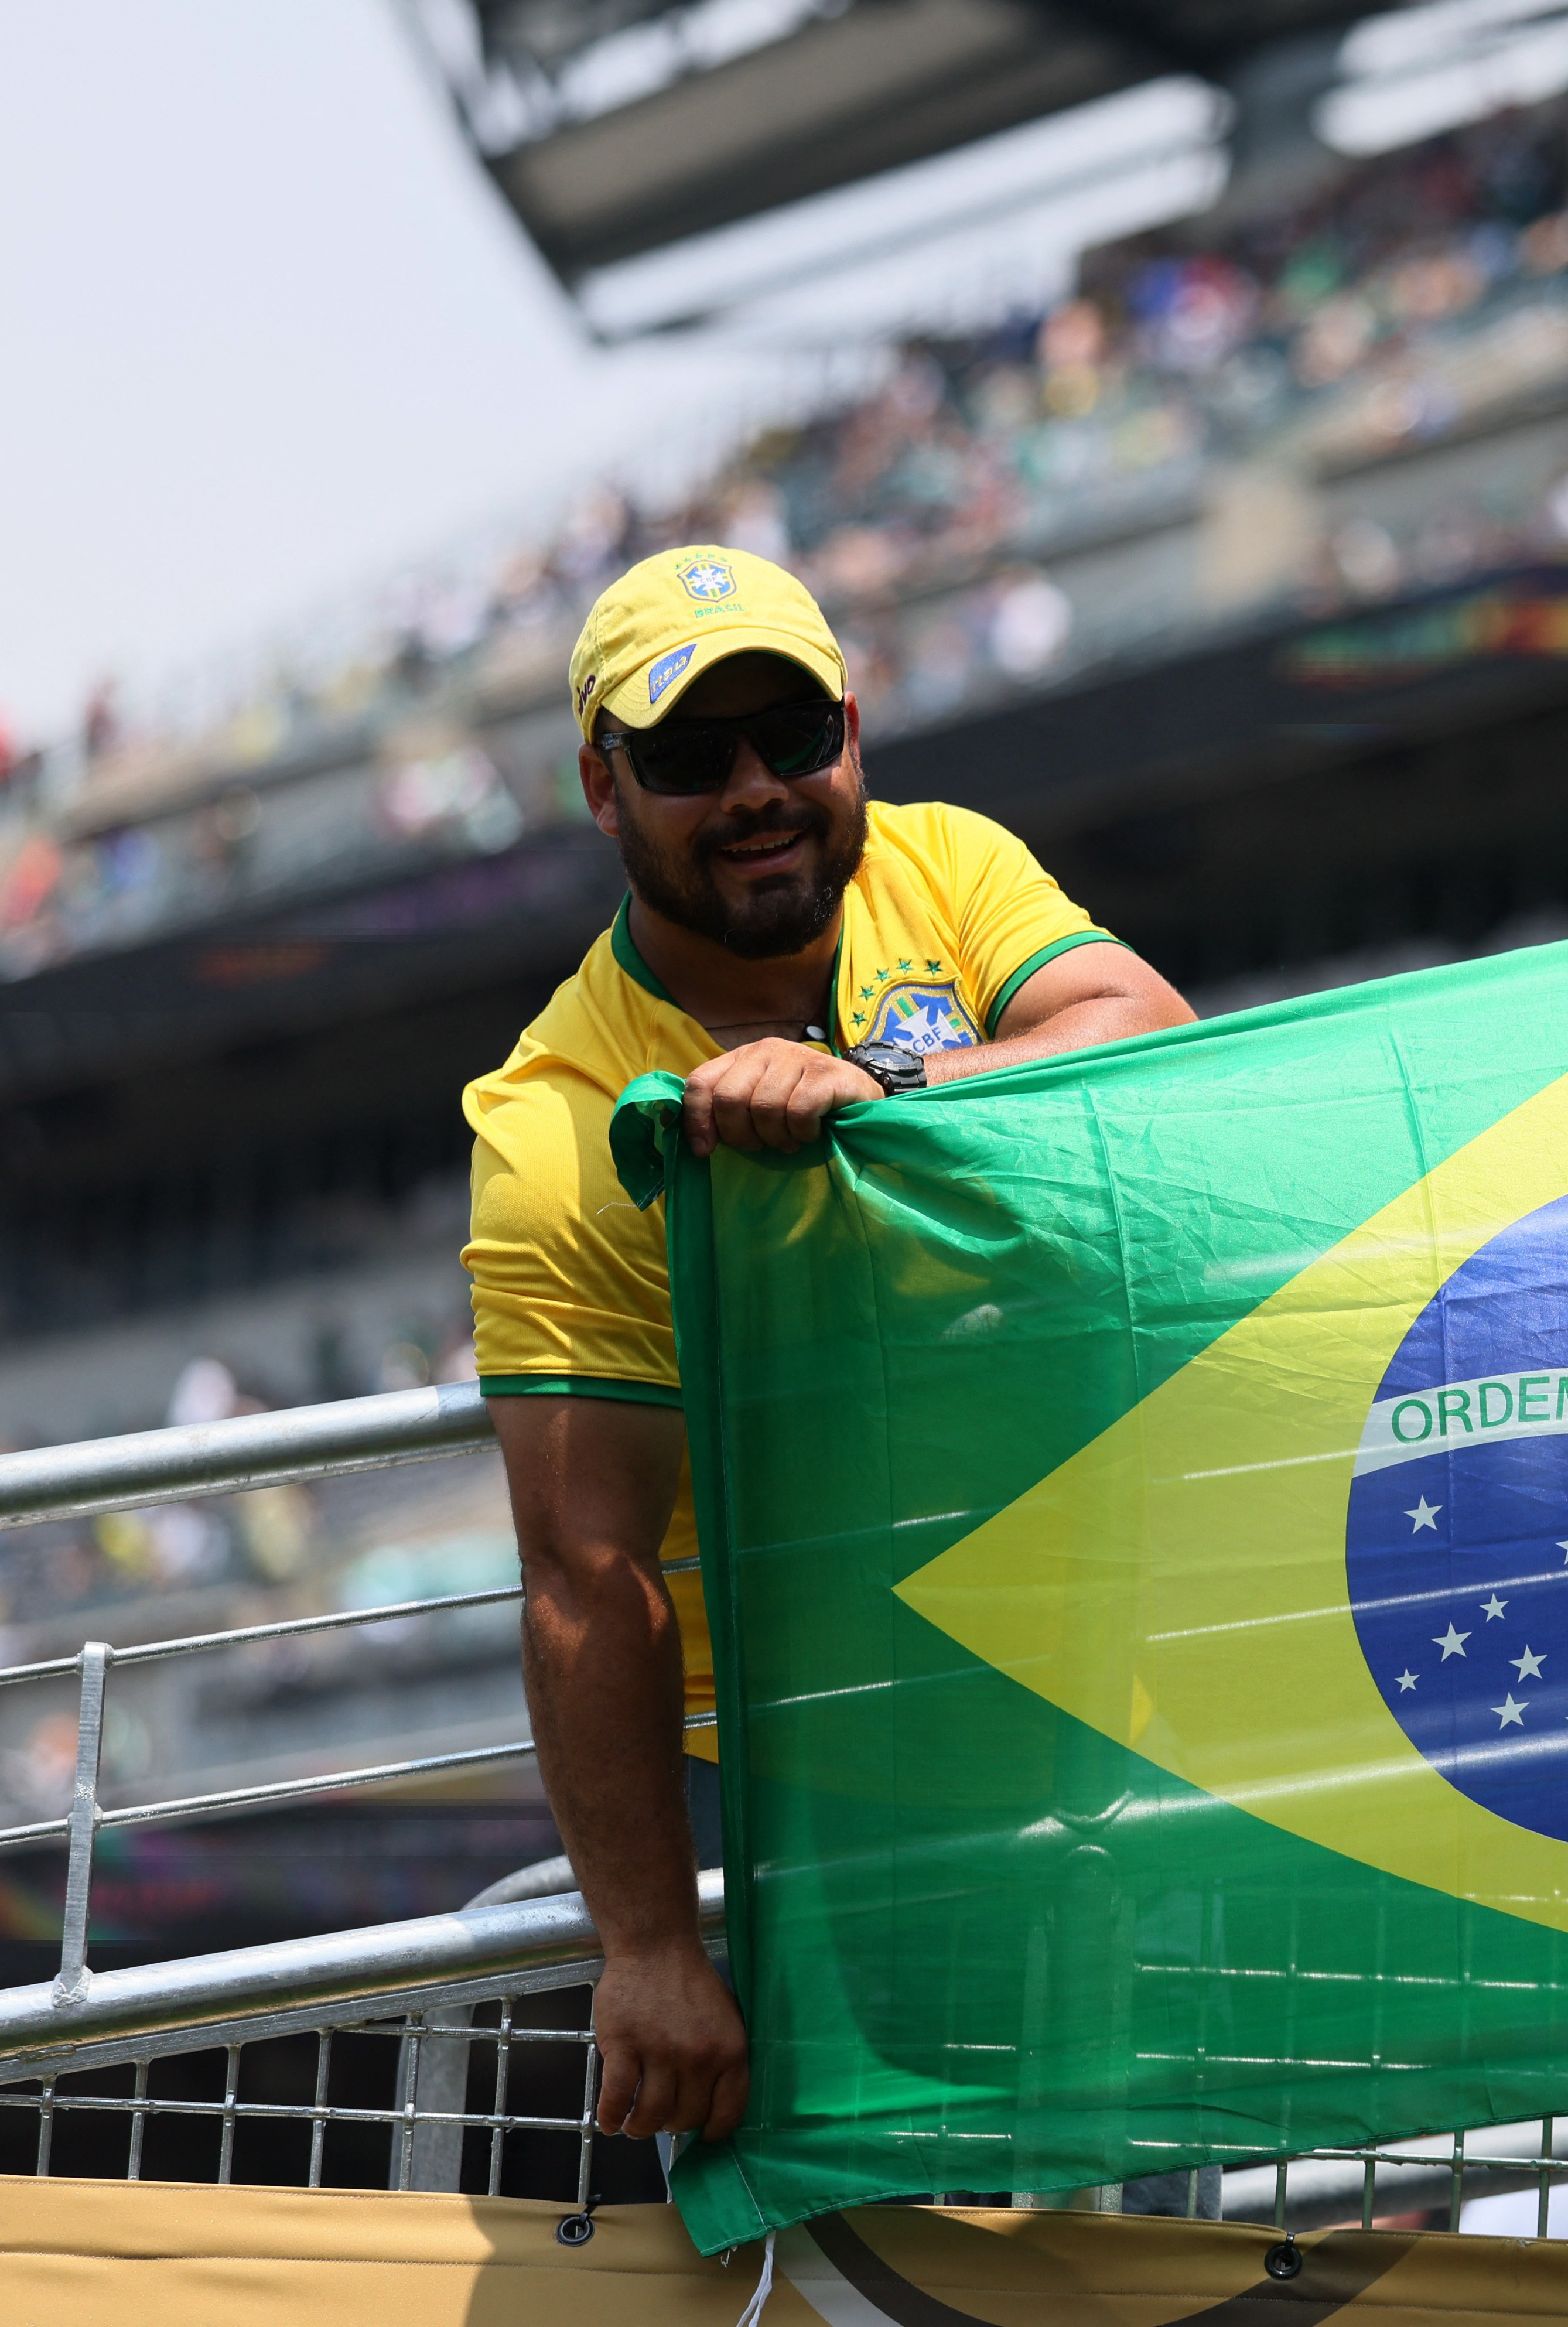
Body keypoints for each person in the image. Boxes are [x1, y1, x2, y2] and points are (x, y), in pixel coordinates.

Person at [463, 546, 1194, 2149]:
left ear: (853, 733)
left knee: (1175, 2210)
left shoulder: (947, 867)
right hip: (824, 1798)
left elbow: (1150, 1041)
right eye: (686, 758)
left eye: (793, 738)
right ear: (602, 786)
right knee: (916, 2241)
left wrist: (887, 1092)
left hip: (1098, 1705)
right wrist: (652, 1952)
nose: (756, 792)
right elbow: (588, 1573)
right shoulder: (565, 1129)